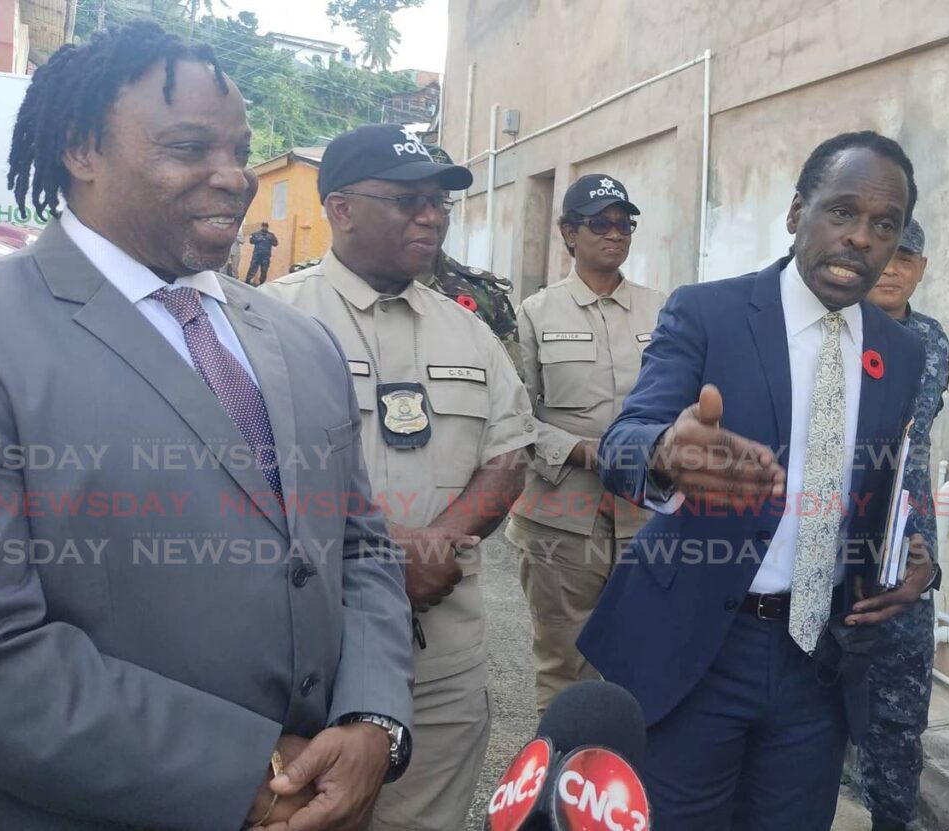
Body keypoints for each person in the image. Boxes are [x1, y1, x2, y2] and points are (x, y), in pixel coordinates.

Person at [0, 23, 413, 829]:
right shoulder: (2, 332)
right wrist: (250, 772)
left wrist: (372, 722)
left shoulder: (298, 338)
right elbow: (1, 650)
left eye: (241, 149)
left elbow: (358, 548)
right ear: (83, 148)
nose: (233, 178)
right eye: (189, 147)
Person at [579, 131, 941, 830]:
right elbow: (622, 441)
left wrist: (913, 558)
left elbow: (896, 484)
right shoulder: (708, 312)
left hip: (818, 663)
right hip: (698, 648)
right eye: (841, 212)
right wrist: (665, 453)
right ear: (797, 212)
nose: (861, 238)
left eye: (884, 225)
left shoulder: (901, 351)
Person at [262, 123, 535, 831]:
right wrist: (387, 555)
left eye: (440, 204)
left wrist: (442, 539)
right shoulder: (269, 321)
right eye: (409, 200)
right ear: (342, 209)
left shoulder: (468, 330)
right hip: (313, 664)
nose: (432, 216)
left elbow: (509, 453)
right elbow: (242, 475)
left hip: (443, 665)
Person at [506, 174, 665, 713]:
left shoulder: (663, 312)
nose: (615, 234)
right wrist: (581, 451)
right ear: (568, 233)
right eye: (601, 223)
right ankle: (560, 785)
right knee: (565, 668)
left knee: (645, 664)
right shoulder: (534, 313)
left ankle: (629, 785)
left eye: (624, 224)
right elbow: (512, 418)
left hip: (648, 520)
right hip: (563, 520)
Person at [862, 217, 949, 831]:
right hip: (829, 547)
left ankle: (891, 818)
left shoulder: (930, 340)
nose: (892, 267)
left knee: (900, 714)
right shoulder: (828, 332)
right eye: (885, 255)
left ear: (920, 268)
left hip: (907, 558)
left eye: (907, 258)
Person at [419, 145, 523, 376]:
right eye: (414, 201)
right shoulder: (328, 293)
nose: (432, 217)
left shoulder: (485, 293)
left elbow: (513, 391)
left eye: (442, 203)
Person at [247, 220, 278, 285]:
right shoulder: (256, 234)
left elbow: (276, 243)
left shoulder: (271, 235)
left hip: (266, 256)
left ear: (267, 227)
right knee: (253, 268)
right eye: (263, 226)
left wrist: (271, 240)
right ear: (261, 226)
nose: (264, 227)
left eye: (266, 226)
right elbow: (251, 241)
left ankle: (262, 283)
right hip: (257, 255)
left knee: (264, 270)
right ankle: (248, 280)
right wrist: (258, 239)